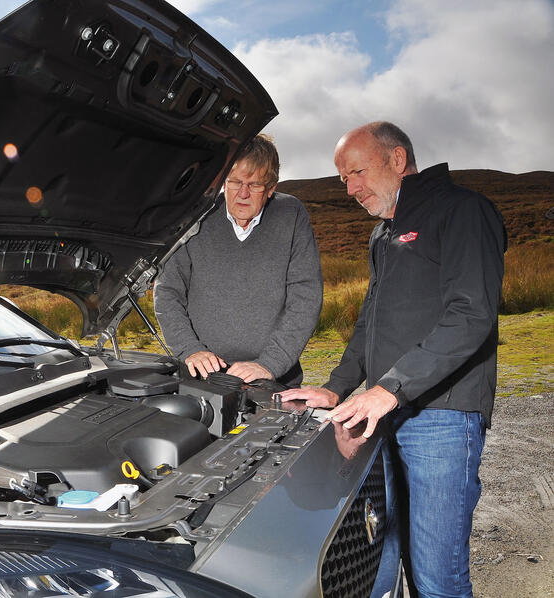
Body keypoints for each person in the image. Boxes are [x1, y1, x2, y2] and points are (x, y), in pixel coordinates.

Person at [280, 122, 506, 597]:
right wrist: (337, 386)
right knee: (380, 560)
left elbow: (472, 315)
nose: (351, 189)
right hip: (386, 414)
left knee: (437, 577)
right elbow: (369, 324)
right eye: (343, 179)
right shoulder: (384, 234)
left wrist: (390, 388)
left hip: (442, 417)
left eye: (357, 172)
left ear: (397, 160)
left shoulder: (464, 210)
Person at [153, 134, 322, 386]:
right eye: (235, 182)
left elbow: (306, 296)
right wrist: (189, 349)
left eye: (254, 185)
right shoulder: (195, 215)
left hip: (273, 378)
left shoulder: (291, 214)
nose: (242, 193)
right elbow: (167, 291)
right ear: (223, 182)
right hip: (203, 375)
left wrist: (270, 363)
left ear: (271, 188)